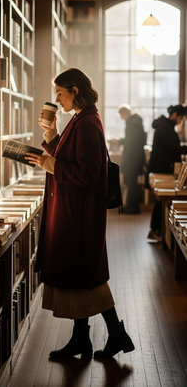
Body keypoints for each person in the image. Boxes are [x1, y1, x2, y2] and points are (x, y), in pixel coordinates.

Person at [25, 68, 134, 360]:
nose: (58, 100)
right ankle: (84, 339)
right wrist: (51, 135)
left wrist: (50, 165)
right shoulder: (83, 118)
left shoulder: (86, 123)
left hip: (79, 215)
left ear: (74, 89)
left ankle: (109, 335)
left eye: (60, 93)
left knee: (87, 279)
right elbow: (68, 155)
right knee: (83, 278)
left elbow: (85, 173)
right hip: (77, 212)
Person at [147, 104, 187, 240]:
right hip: (162, 168)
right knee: (160, 202)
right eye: (180, 118)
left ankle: (156, 230)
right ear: (174, 115)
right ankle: (155, 230)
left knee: (160, 202)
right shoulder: (165, 128)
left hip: (161, 167)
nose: (181, 121)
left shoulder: (164, 126)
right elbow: (173, 148)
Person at [116, 105, 146, 214]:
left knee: (131, 183)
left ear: (125, 113)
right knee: (131, 182)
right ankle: (132, 206)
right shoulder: (135, 122)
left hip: (132, 158)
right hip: (135, 157)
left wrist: (119, 141)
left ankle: (133, 207)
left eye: (121, 115)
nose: (121, 118)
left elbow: (132, 141)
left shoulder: (133, 124)